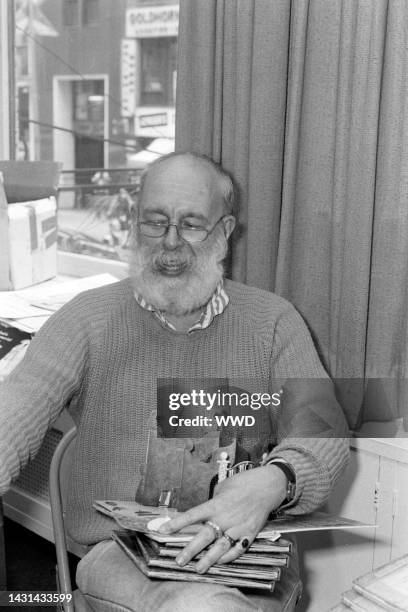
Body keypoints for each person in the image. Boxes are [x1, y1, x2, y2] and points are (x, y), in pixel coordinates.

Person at [0, 152, 350, 612]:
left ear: (224, 232)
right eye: (155, 221)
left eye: (191, 224)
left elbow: (323, 433)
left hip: (246, 551)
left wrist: (275, 480)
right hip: (124, 554)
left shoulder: (274, 322)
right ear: (133, 222)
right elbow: (15, 414)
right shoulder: (85, 319)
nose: (170, 242)